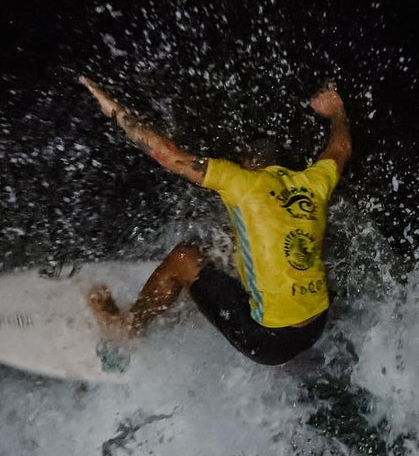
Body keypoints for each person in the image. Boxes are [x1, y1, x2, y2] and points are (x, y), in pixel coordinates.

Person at [78, 75, 352, 366]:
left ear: (249, 164)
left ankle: (127, 327)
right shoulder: (313, 182)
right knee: (234, 243)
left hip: (268, 340)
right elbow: (341, 148)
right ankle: (196, 298)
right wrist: (337, 110)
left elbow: (168, 157)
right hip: (316, 325)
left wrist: (114, 112)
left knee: (184, 257)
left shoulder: (242, 183)